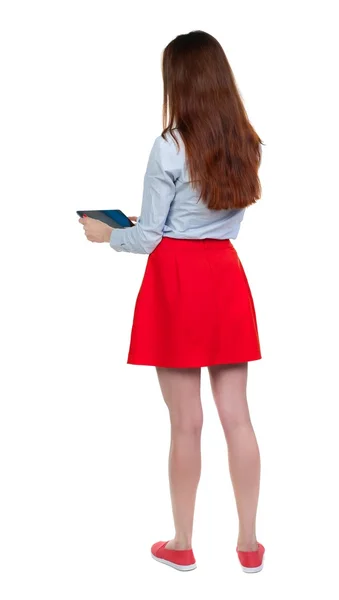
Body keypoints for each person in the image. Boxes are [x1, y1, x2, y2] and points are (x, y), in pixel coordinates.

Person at [78, 30, 265, 574]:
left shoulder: (170, 144)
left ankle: (182, 544)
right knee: (238, 417)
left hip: (178, 282)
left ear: (177, 81)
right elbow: (204, 217)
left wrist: (106, 234)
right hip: (225, 277)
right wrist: (155, 224)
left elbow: (151, 237)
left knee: (186, 423)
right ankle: (250, 546)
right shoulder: (246, 141)